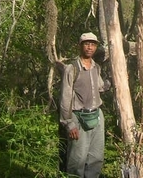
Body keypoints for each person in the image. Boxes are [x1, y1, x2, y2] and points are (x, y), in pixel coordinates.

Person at [59, 32, 109, 178]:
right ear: (80, 46)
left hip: (97, 116)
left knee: (96, 158)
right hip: (78, 117)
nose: (90, 47)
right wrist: (69, 123)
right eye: (86, 44)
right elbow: (65, 97)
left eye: (93, 44)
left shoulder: (96, 67)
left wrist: (112, 80)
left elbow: (100, 87)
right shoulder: (72, 68)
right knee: (77, 159)